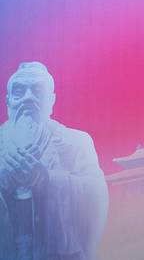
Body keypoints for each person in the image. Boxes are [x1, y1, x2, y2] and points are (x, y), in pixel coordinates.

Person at [0, 62, 108, 260]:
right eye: (19, 92)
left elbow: (96, 193)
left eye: (37, 91)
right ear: (7, 101)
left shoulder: (76, 142)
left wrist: (47, 179)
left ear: (51, 100)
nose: (28, 98)